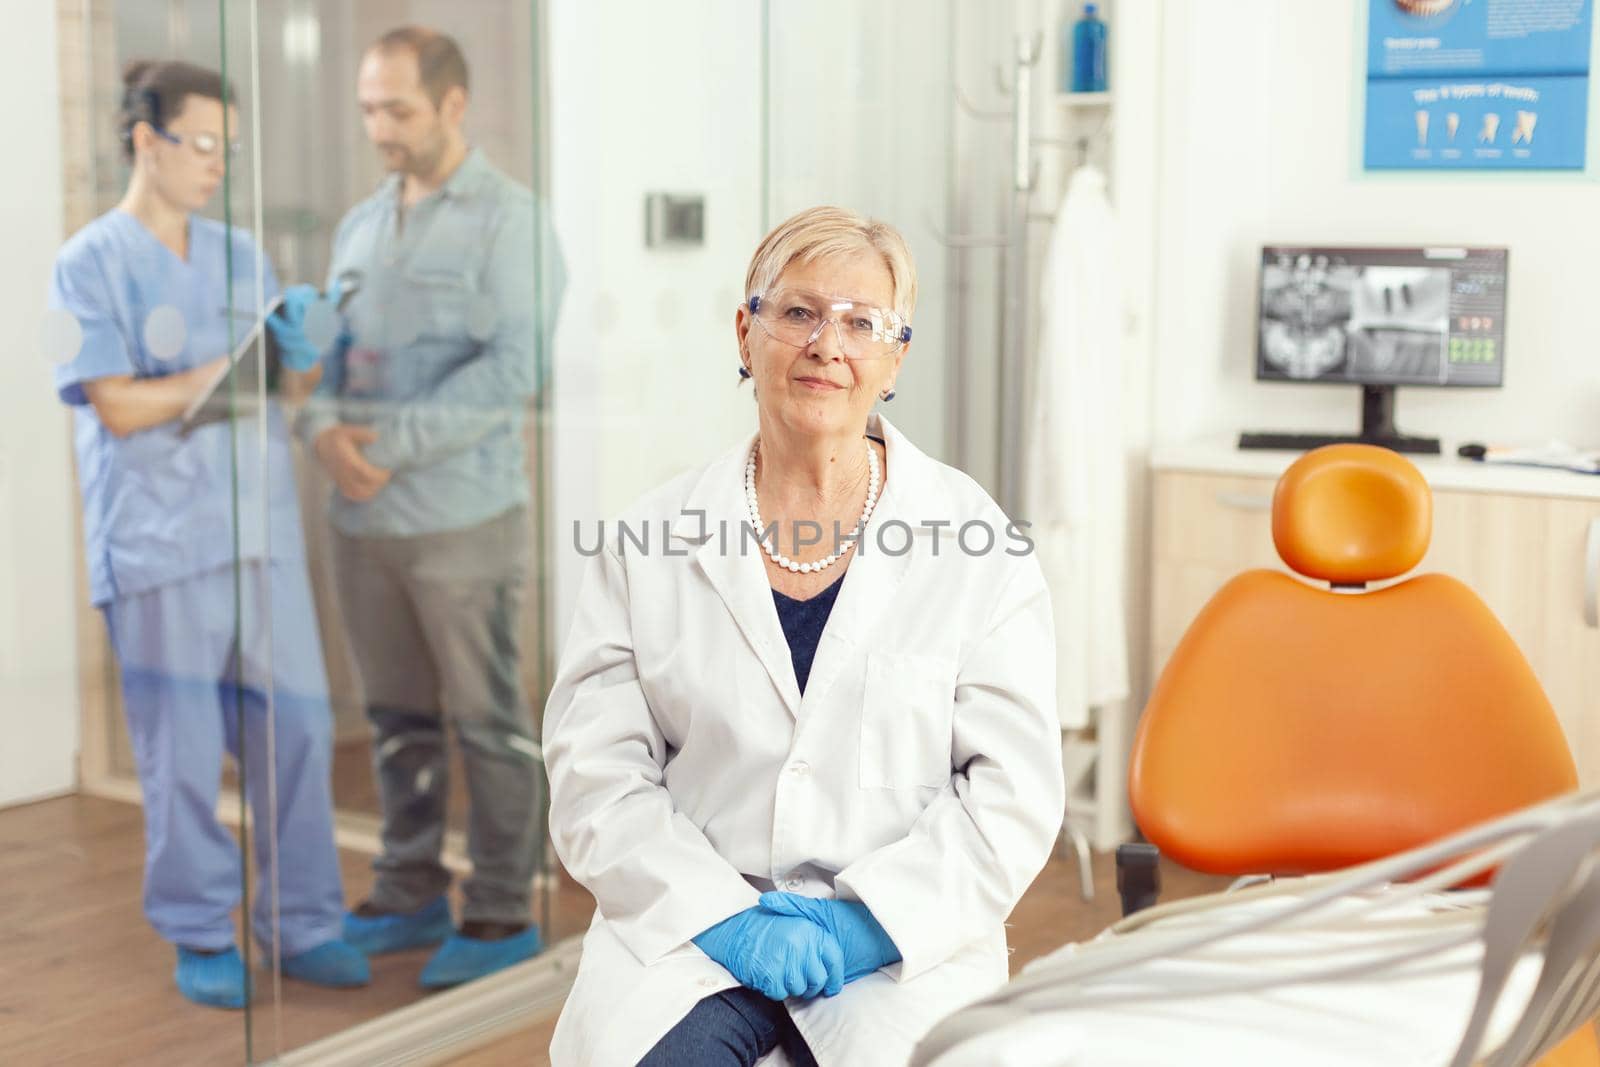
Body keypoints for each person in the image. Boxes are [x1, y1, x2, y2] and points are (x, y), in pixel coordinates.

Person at [543, 206, 1066, 1065]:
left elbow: (1011, 795)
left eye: (863, 323)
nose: (829, 344)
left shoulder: (977, 546)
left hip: (896, 945)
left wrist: (868, 924)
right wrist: (725, 918)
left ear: (894, 359)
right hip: (696, 931)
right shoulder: (650, 540)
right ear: (745, 333)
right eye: (798, 313)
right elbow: (595, 776)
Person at [47, 59, 367, 1009]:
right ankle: (198, 930)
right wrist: (219, 372)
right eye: (202, 144)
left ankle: (302, 922)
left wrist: (298, 354)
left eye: (230, 148)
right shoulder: (86, 263)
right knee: (182, 750)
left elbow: (283, 389)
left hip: (255, 530)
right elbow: (114, 404)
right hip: (156, 541)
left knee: (301, 730)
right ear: (145, 138)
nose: (219, 164)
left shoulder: (240, 254)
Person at [278, 26, 562, 989]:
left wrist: (381, 453)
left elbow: (516, 369)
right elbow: (318, 351)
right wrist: (320, 432)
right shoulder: (360, 226)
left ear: (452, 105)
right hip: (363, 525)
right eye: (367, 108)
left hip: (461, 519)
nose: (378, 127)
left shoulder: (510, 222)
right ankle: (407, 890)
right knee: (397, 717)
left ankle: (497, 910)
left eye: (396, 108)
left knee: (486, 719)